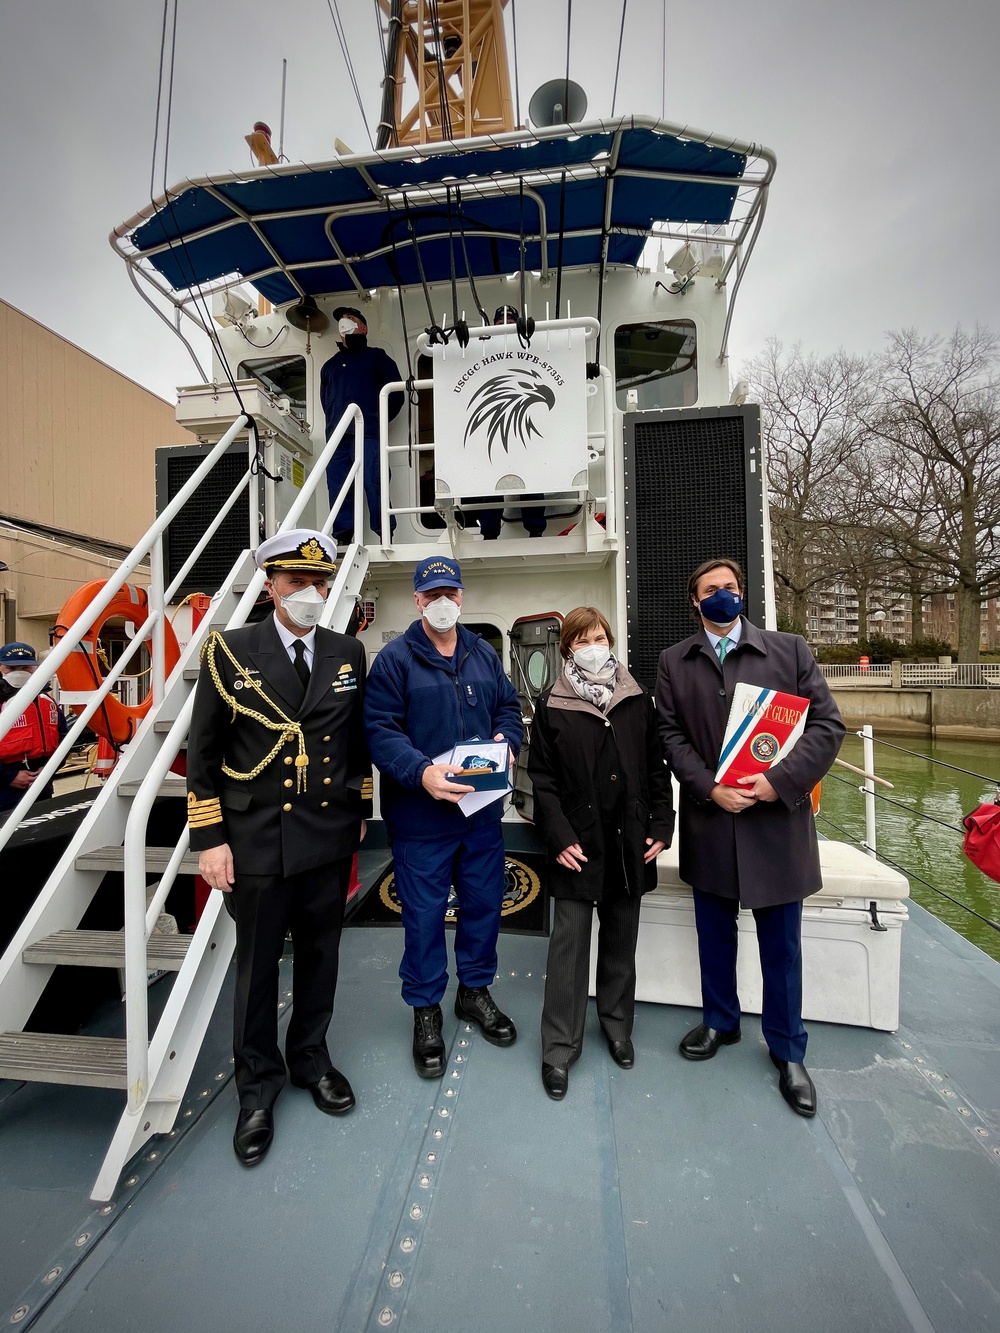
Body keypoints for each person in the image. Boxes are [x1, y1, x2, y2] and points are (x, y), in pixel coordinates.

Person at [187, 528, 373, 1167]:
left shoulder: (348, 652)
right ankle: (256, 1090)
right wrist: (210, 841)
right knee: (257, 969)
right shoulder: (230, 651)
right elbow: (203, 757)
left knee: (322, 957)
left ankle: (311, 1060)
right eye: (297, 583)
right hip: (258, 840)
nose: (310, 595)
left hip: (325, 837)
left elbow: (355, 746)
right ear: (270, 586)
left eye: (318, 585)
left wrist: (360, 809)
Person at [655, 559, 845, 1118]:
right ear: (695, 601)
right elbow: (668, 733)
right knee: (714, 937)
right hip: (712, 823)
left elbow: (827, 726)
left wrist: (777, 781)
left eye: (731, 588)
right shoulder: (674, 662)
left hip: (776, 826)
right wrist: (709, 787)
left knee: (781, 949)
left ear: (743, 593)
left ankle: (788, 1052)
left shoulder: (790, 651)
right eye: (712, 590)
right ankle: (721, 1022)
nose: (723, 596)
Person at [364, 556, 524, 1078]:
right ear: (416, 600)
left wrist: (510, 739)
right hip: (422, 820)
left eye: (450, 593)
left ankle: (473, 993)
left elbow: (507, 706)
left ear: (462, 596)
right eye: (432, 595)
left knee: (483, 906)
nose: (443, 603)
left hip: (480, 817)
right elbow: (380, 731)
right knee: (425, 917)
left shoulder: (482, 653)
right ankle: (426, 1009)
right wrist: (420, 773)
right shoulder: (394, 660)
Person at [528, 608, 674, 1100]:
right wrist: (560, 835)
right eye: (584, 639)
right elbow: (541, 781)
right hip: (578, 844)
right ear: (568, 647)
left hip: (629, 840)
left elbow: (656, 767)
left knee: (620, 940)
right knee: (568, 947)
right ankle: (559, 1048)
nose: (594, 645)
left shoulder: (637, 698)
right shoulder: (553, 704)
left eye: (601, 636)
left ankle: (616, 1025)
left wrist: (660, 825)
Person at [461, 305, 546, 540]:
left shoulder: (531, 347)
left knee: (530, 479)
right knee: (490, 483)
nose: (505, 326)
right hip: (492, 425)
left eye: (511, 321)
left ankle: (535, 529)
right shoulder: (482, 350)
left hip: (525, 423)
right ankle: (489, 532)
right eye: (500, 323)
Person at [320, 307, 403, 546]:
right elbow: (326, 402)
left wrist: (375, 421)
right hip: (337, 438)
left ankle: (385, 533)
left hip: (367, 435)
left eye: (351, 319)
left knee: (374, 482)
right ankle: (343, 538)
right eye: (342, 320)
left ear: (363, 327)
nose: (344, 323)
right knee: (338, 488)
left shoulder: (378, 357)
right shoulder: (330, 366)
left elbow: (395, 396)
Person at [0, 642, 65, 813]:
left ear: (35, 668)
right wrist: (9, 776)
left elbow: (63, 738)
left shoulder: (45, 699)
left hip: (40, 788)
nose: (19, 672)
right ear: (1, 668)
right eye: (12, 668)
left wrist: (50, 769)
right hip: (4, 792)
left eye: (26, 667)